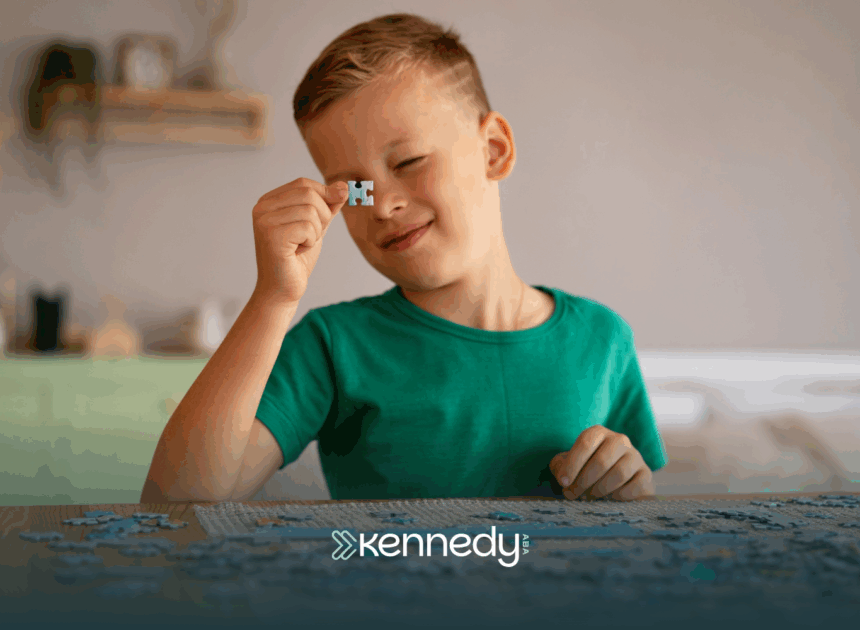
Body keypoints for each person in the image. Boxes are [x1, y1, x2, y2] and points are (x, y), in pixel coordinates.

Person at [141, 13, 668, 504]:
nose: (387, 205)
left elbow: (642, 517)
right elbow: (176, 505)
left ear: (494, 150)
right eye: (357, 190)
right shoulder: (332, 346)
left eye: (411, 162)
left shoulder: (604, 339)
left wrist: (630, 492)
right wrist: (273, 297)